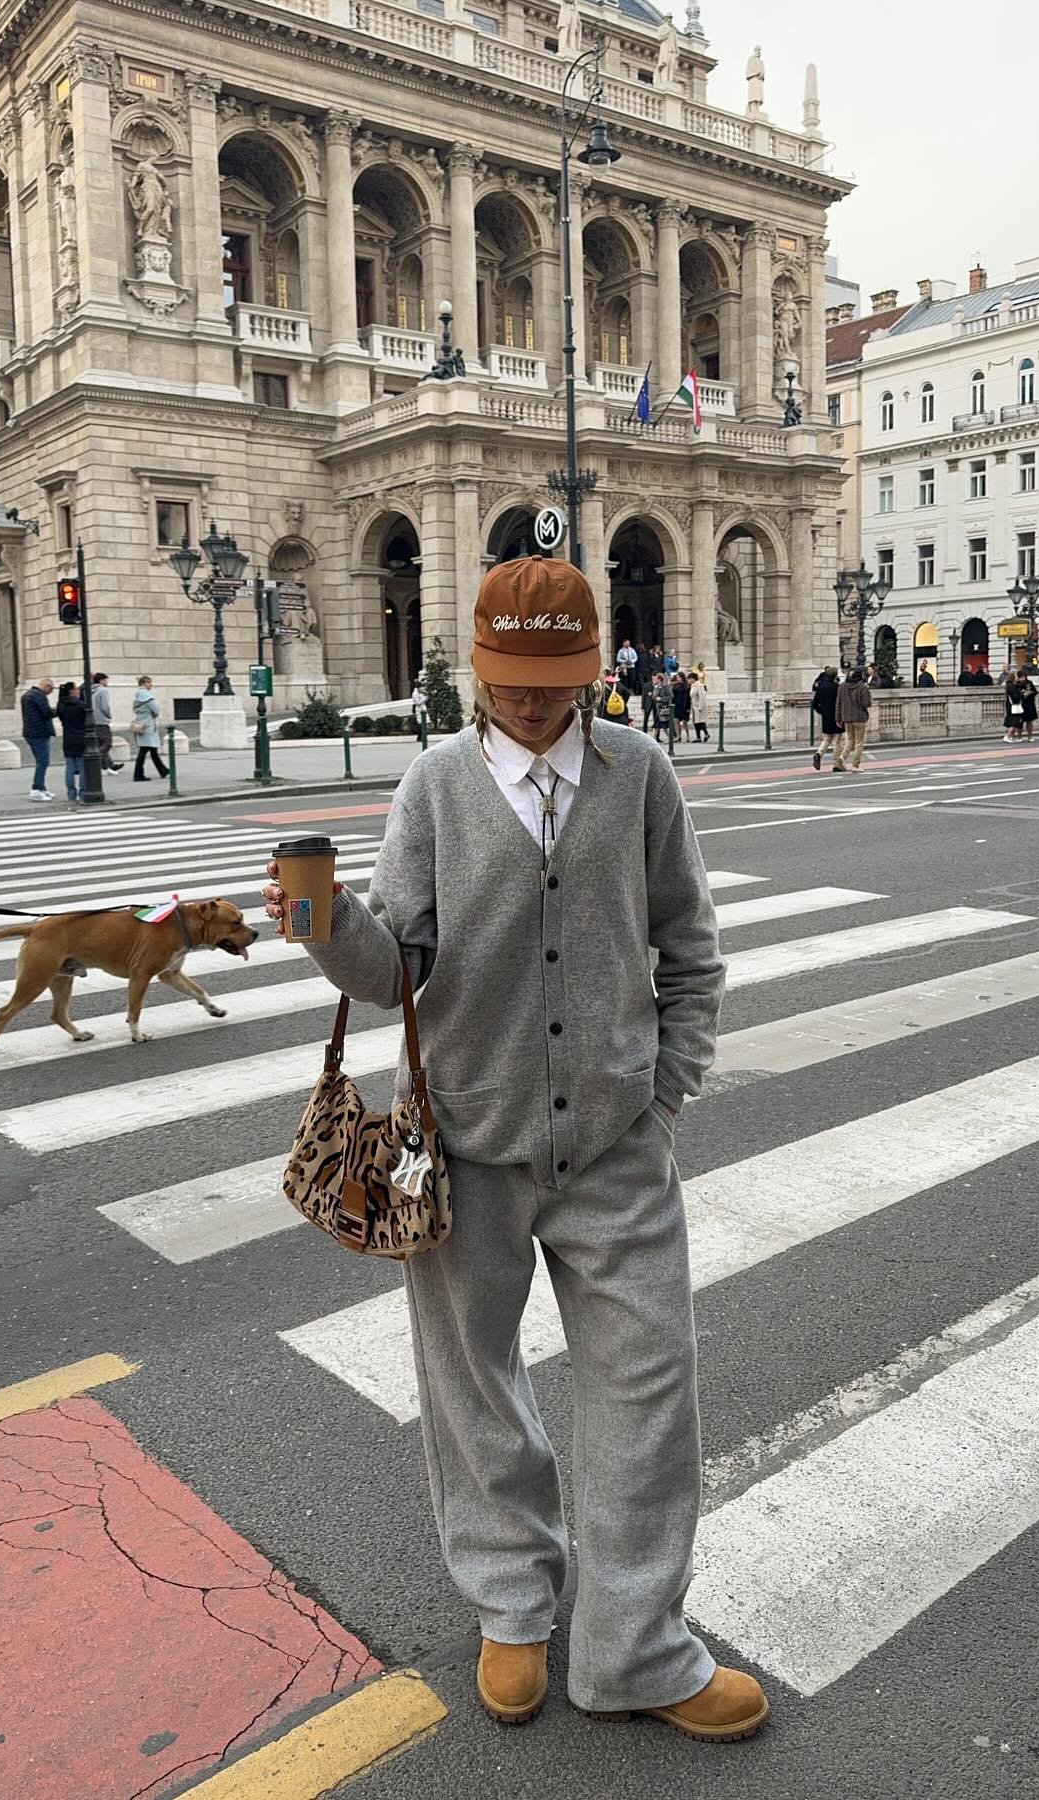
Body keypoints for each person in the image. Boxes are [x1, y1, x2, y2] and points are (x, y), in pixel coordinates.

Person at [262, 555, 766, 1743]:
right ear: (480, 672)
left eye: (557, 682)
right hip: (466, 1147)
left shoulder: (639, 773)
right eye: (514, 683)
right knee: (473, 1385)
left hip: (615, 1144)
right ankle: (510, 1603)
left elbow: (689, 946)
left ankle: (637, 1646)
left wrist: (667, 1091)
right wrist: (324, 923)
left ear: (591, 670)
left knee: (648, 1388)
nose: (535, 706)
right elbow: (398, 973)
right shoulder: (435, 786)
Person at [21, 677, 56, 801]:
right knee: (43, 761)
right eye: (50, 690)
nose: (50, 693)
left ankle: (41, 788)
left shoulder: (27, 695)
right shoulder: (39, 696)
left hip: (30, 732)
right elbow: (46, 713)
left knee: (41, 761)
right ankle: (36, 789)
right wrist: (56, 711)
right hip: (39, 732)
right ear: (46, 686)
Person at [833, 662, 871, 771]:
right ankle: (855, 765)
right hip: (859, 717)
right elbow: (866, 703)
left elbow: (838, 703)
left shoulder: (842, 686)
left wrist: (838, 718)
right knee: (859, 742)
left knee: (850, 740)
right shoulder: (862, 687)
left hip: (847, 717)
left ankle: (842, 757)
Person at [131, 674, 169, 780]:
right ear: (143, 683)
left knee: (152, 750)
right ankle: (138, 775)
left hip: (141, 724)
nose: (151, 685)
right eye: (148, 682)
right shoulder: (146, 696)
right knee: (145, 750)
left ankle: (163, 770)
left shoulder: (138, 695)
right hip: (147, 725)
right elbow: (156, 710)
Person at [56, 679, 86, 803]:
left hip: (68, 737)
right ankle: (83, 792)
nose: (78, 691)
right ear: (71, 691)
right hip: (81, 737)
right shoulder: (81, 705)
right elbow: (87, 721)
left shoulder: (61, 705)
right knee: (83, 767)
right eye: (76, 689)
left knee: (70, 767)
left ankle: (71, 793)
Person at [90, 673, 124, 773]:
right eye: (106, 680)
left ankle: (105, 767)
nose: (107, 682)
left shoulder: (91, 691)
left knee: (100, 743)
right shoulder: (103, 690)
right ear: (101, 680)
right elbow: (104, 706)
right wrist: (109, 715)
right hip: (102, 720)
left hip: (93, 720)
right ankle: (94, 758)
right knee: (107, 743)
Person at [811, 665, 840, 770]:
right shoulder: (837, 688)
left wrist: (821, 712)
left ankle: (818, 754)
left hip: (826, 716)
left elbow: (814, 703)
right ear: (835, 676)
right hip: (837, 717)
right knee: (837, 742)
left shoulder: (821, 687)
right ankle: (836, 764)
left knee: (826, 739)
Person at [1002, 673, 1024, 743]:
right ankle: (1007, 736)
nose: (1017, 678)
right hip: (1014, 706)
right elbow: (1015, 697)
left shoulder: (1009, 686)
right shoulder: (1013, 687)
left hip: (1010, 705)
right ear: (1013, 678)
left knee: (1011, 721)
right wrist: (1022, 694)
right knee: (1014, 722)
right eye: (1016, 677)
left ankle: (1010, 736)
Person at [688, 670, 709, 743]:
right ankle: (698, 737)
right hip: (694, 707)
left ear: (693, 679)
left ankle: (706, 734)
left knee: (700, 722)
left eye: (690, 679)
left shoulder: (699, 685)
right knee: (696, 722)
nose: (689, 681)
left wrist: (700, 706)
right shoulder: (692, 686)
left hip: (699, 707)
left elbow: (702, 697)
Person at [671, 671, 691, 742]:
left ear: (682, 677)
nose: (678, 678)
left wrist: (688, 707)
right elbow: (674, 696)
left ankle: (688, 736)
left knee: (684, 721)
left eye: (679, 677)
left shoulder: (687, 686)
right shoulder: (676, 686)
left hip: (684, 705)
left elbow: (688, 698)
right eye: (677, 677)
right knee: (675, 721)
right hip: (677, 705)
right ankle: (678, 736)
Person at [1020, 670, 1039, 741]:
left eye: (1023, 677)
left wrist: (1030, 693)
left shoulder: (1029, 683)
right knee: (1020, 721)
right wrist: (1022, 694)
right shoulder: (1017, 684)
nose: (1022, 679)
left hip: (1030, 703)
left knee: (1029, 721)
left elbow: (1035, 691)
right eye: (1021, 677)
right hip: (1021, 704)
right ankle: (1019, 736)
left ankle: (1030, 736)